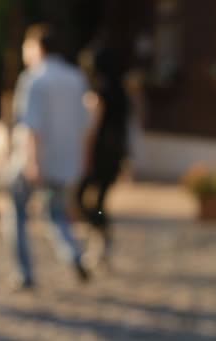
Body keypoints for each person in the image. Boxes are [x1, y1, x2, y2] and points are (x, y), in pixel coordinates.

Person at [4, 24, 92, 291]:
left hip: (35, 162)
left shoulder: (34, 79)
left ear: (36, 47)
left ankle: (24, 273)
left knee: (17, 211)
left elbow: (32, 126)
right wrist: (84, 158)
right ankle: (74, 254)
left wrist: (32, 162)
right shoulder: (76, 78)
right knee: (56, 213)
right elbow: (84, 123)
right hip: (65, 162)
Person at [75, 47, 130, 268]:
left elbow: (92, 129)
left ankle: (101, 232)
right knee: (100, 200)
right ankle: (101, 237)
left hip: (99, 154)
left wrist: (85, 155)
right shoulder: (122, 92)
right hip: (115, 154)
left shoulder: (98, 94)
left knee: (81, 198)